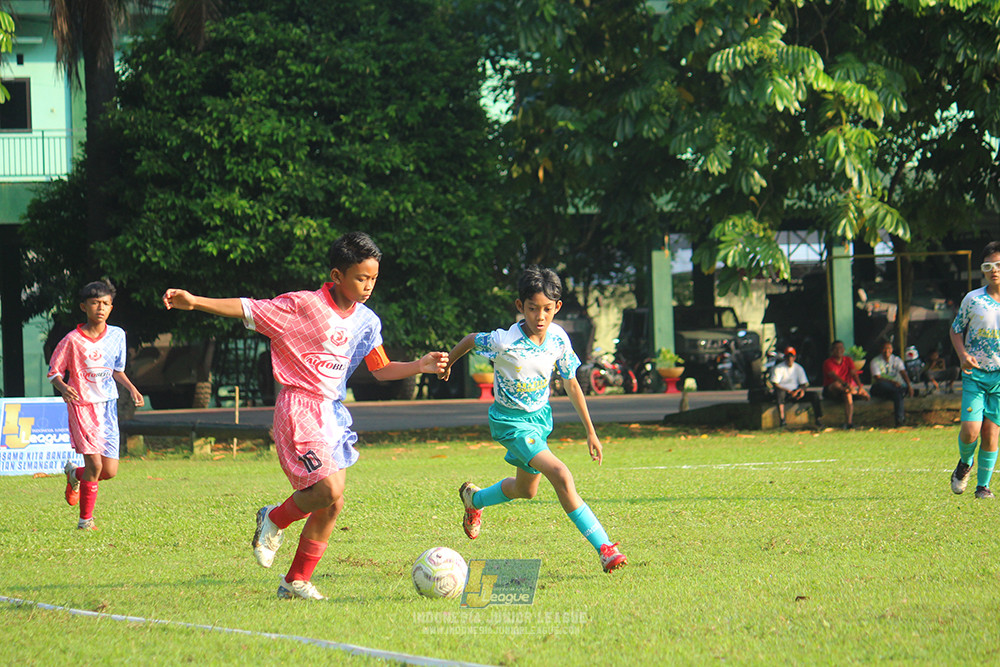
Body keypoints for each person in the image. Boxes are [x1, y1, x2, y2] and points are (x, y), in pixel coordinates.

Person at [163, 232, 448, 599]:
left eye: (374, 278)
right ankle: (274, 518)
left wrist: (419, 366)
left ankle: (295, 580)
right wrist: (195, 301)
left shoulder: (366, 321)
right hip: (299, 407)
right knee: (329, 488)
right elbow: (247, 307)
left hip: (333, 413)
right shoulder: (301, 306)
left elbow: (380, 369)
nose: (368, 286)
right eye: (361, 278)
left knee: (333, 503)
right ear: (337, 275)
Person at [439, 266, 627, 573]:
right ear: (519, 307)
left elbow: (571, 382)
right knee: (562, 474)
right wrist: (449, 361)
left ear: (557, 308)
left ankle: (474, 499)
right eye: (532, 308)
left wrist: (590, 432)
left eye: (547, 309)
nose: (540, 316)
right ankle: (605, 548)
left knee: (526, 490)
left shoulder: (557, 340)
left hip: (539, 422)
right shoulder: (503, 341)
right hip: (510, 423)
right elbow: (472, 339)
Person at [48, 280, 145, 530]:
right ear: (84, 306)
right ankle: (85, 521)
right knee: (95, 465)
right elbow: (54, 372)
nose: (100, 308)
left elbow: (117, 371)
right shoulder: (71, 340)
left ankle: (75, 475)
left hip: (108, 408)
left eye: (105, 303)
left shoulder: (117, 335)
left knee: (109, 471)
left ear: (111, 308)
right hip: (82, 407)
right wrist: (62, 387)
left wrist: (132, 388)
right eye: (94, 303)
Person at [948, 240, 1000, 500]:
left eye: (999, 265)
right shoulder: (973, 299)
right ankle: (964, 463)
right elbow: (956, 329)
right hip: (975, 376)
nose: (995, 270)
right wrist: (963, 355)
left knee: (991, 432)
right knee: (971, 430)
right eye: (989, 266)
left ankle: (983, 486)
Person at [769, 346, 823, 427]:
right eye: (788, 357)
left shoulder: (798, 368)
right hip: (785, 392)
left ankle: (818, 419)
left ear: (794, 357)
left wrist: (800, 391)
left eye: (791, 357)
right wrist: (788, 391)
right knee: (780, 394)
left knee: (814, 395)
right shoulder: (779, 368)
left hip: (795, 391)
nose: (790, 359)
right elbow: (775, 384)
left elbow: (804, 383)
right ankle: (782, 419)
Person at [822, 340, 870, 429]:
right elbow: (833, 376)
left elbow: (854, 373)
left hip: (846, 389)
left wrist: (860, 386)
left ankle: (849, 423)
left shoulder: (848, 360)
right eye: (836, 348)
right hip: (832, 390)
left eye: (841, 348)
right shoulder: (828, 362)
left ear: (843, 349)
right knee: (837, 385)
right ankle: (857, 393)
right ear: (832, 350)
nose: (839, 350)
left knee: (847, 394)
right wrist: (846, 385)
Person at [869, 341, 914, 427]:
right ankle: (902, 391)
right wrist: (893, 382)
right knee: (888, 387)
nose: (886, 351)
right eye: (884, 349)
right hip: (880, 388)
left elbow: (903, 373)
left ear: (892, 350)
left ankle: (900, 421)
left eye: (889, 348)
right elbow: (877, 377)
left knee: (897, 395)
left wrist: (909, 385)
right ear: (881, 350)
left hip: (894, 389)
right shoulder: (875, 361)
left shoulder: (896, 360)